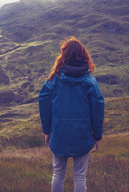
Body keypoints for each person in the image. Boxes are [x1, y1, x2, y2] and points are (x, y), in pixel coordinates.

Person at [39, 36, 105, 192]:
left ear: (63, 55)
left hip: (59, 134)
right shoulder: (90, 81)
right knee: (80, 176)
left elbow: (44, 104)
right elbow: (98, 110)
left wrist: (47, 131)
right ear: (84, 56)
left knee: (58, 175)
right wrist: (97, 136)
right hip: (82, 135)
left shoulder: (53, 80)